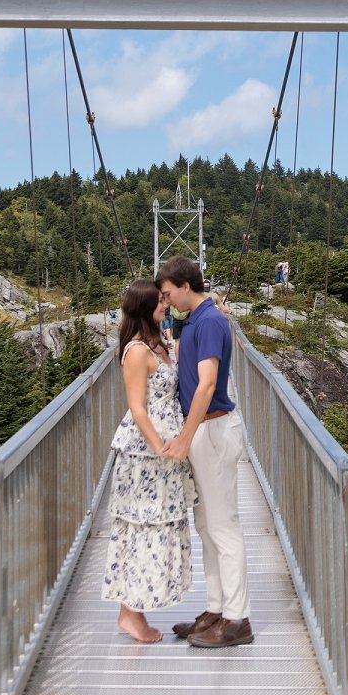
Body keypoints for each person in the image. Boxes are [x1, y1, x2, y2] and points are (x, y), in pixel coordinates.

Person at [157, 255, 250, 648]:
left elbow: (208, 384)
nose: (166, 302)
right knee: (207, 526)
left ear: (184, 285)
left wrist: (183, 437)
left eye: (167, 294)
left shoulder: (210, 321)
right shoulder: (199, 319)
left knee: (223, 526)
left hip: (211, 428)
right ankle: (216, 609)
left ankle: (237, 619)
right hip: (202, 429)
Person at [101, 279, 195, 644]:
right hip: (146, 457)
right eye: (159, 301)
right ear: (143, 308)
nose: (165, 305)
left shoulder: (160, 341)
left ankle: (133, 611)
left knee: (154, 530)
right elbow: (137, 409)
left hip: (165, 454)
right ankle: (129, 614)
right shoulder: (137, 351)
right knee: (141, 530)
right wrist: (160, 446)